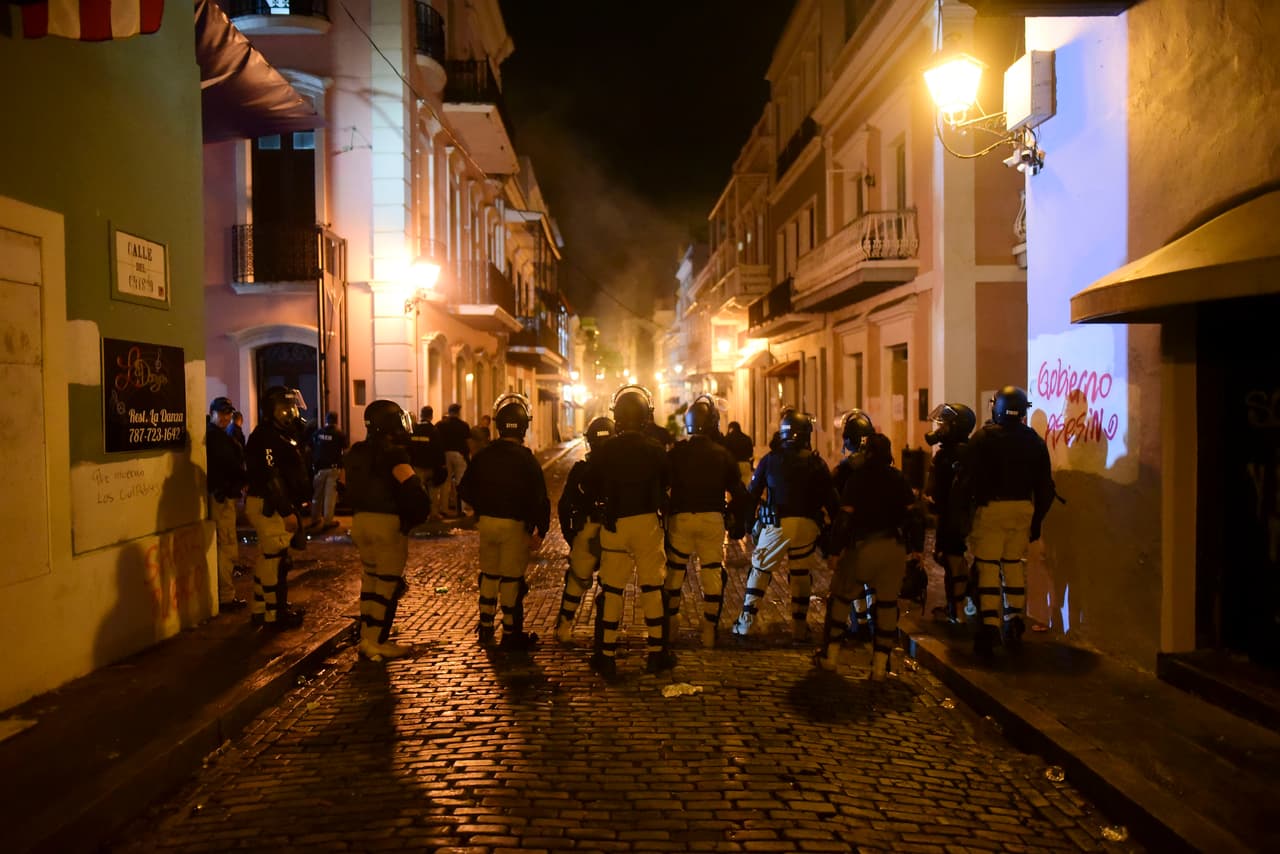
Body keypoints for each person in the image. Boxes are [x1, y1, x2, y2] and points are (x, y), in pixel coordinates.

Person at [955, 386, 1056, 656]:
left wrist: (961, 516)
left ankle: (989, 623)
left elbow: (966, 482)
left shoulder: (983, 439)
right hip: (1023, 507)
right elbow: (1046, 487)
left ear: (996, 407)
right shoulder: (1034, 441)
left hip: (991, 508)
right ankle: (1014, 620)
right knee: (1012, 564)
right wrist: (1037, 521)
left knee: (988, 566)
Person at [585, 384, 672, 678]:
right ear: (646, 415)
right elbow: (666, 483)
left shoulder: (605, 450)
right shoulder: (656, 449)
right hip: (647, 522)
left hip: (615, 523)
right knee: (652, 588)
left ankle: (607, 655)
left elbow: (590, 483)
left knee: (612, 590)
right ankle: (657, 653)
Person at [818, 433, 921, 678]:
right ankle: (879, 666)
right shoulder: (899, 479)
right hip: (892, 549)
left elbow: (844, 519)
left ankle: (830, 657)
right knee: (886, 607)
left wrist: (834, 551)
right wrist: (916, 549)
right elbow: (913, 519)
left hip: (862, 547)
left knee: (841, 600)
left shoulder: (858, 479)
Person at [732, 410, 839, 642]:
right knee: (801, 575)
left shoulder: (771, 460)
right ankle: (799, 627)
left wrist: (749, 524)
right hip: (808, 528)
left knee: (759, 572)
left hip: (776, 525)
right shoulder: (817, 463)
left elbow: (753, 494)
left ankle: (745, 623)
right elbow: (831, 501)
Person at [458, 393, 551, 651]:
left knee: (488, 573)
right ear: (524, 426)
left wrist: (481, 509)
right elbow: (540, 499)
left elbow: (464, 489)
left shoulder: (483, 456)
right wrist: (539, 531)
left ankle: (486, 624)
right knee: (511, 578)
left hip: (487, 523)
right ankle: (510, 632)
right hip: (514, 525)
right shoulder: (527, 459)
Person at [343, 400, 431, 661]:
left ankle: (366, 638)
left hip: (360, 523)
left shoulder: (356, 452)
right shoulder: (393, 455)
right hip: (387, 524)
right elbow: (413, 488)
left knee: (369, 581)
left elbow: (344, 486)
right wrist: (412, 519)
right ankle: (376, 642)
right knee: (386, 585)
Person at [665, 395, 752, 648]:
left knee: (675, 574)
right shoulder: (721, 454)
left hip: (681, 518)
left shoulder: (677, 453)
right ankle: (709, 631)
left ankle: (671, 627)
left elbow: (663, 485)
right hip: (712, 518)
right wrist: (736, 518)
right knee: (712, 573)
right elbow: (739, 492)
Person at [244, 387, 312, 629]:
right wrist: (286, 510)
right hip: (269, 505)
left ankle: (261, 609)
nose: (291, 413)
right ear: (270, 411)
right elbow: (271, 476)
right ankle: (275, 615)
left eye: (292, 408)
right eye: (284, 409)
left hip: (272, 503)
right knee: (276, 559)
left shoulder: (278, 434)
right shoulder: (266, 436)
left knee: (267, 556)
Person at [553, 416, 615, 647]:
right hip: (614, 531)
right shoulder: (622, 470)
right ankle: (606, 631)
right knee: (613, 584)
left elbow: (565, 505)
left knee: (577, 581)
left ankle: (565, 625)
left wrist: (572, 536)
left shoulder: (582, 470)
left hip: (587, 531)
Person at [924, 403, 978, 623]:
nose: (940, 429)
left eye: (945, 424)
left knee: (952, 558)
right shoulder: (966, 451)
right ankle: (959, 604)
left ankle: (959, 608)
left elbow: (933, 489)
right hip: (955, 513)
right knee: (950, 557)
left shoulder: (952, 455)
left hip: (953, 515)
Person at [830, 409, 878, 641]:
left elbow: (833, 495)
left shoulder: (845, 468)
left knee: (854, 578)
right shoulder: (883, 463)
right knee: (873, 580)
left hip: (854, 529)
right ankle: (874, 621)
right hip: (879, 528)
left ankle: (859, 622)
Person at [206, 396, 247, 611]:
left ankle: (223, 594)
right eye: (222, 413)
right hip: (222, 499)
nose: (226, 417)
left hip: (221, 496)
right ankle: (226, 596)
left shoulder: (215, 436)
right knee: (227, 548)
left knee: (224, 546)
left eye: (228, 413)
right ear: (212, 413)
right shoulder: (217, 438)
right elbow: (230, 466)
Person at [309, 411, 348, 531]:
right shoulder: (339, 434)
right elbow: (345, 448)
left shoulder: (318, 433)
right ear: (336, 421)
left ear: (326, 420)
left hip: (319, 468)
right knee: (330, 496)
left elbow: (311, 446)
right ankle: (328, 521)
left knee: (317, 496)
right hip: (333, 468)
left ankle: (315, 519)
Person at [409, 406, 447, 520]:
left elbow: (410, 447)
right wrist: (441, 464)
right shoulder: (433, 430)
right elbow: (438, 449)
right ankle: (434, 513)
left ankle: (419, 513)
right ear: (431, 415)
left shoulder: (414, 429)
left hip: (416, 465)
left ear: (421, 415)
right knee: (433, 490)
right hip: (430, 466)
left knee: (419, 490)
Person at [436, 403, 472, 516]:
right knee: (460, 481)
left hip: (445, 454)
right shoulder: (463, 425)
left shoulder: (441, 425)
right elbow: (468, 442)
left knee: (445, 483)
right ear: (458, 412)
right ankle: (461, 508)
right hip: (459, 454)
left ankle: (444, 508)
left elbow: (437, 440)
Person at [721, 420, 755, 488]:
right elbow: (750, 453)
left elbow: (724, 452)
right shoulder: (747, 438)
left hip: (732, 465)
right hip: (745, 464)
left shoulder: (727, 439)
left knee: (732, 487)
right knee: (745, 486)